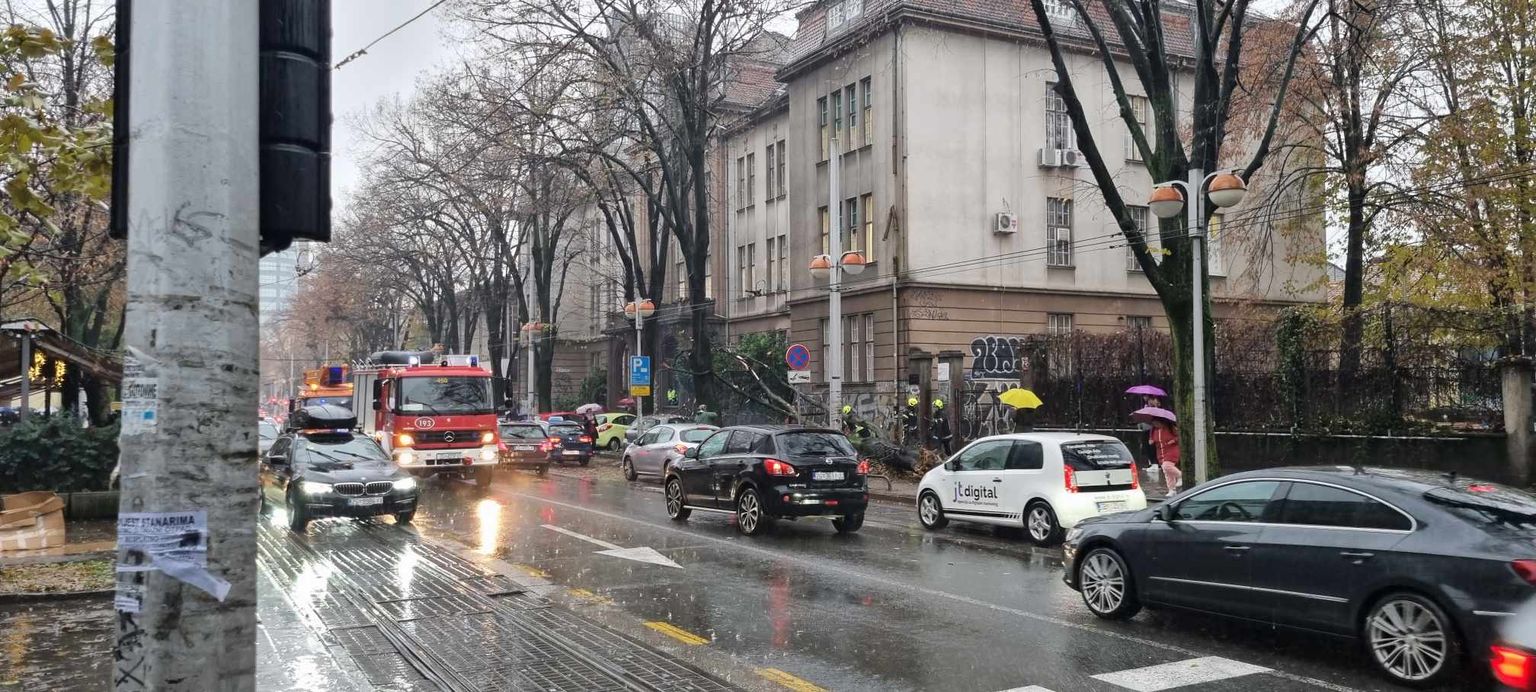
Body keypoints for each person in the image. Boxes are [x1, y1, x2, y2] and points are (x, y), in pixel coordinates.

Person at [1148, 418, 1182, 494]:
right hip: (1160, 452)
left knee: (1167, 466)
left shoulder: (1170, 428)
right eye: (1154, 424)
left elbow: (1179, 436)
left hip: (1172, 450)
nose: (1156, 425)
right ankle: (1171, 489)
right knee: (1166, 471)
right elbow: (1153, 440)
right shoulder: (1153, 430)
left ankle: (1180, 475)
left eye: (1157, 423)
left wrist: (1174, 440)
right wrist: (1151, 440)